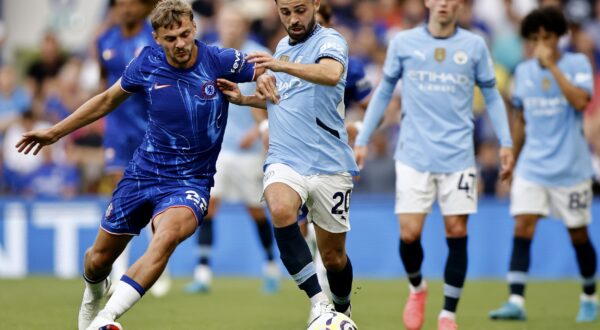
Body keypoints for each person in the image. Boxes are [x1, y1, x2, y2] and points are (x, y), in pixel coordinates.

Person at [16, 1, 260, 329]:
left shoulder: (219, 60)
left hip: (190, 181)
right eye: (171, 38)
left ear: (195, 28)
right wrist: (54, 132)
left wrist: (268, 87)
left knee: (166, 236)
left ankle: (107, 318)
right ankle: (93, 293)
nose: (181, 43)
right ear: (157, 37)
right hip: (142, 174)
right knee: (97, 259)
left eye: (186, 34)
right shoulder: (146, 62)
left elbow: (271, 67)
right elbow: (105, 100)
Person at [353, 0, 514, 329]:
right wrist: (363, 138)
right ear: (427, 2)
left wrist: (506, 142)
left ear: (459, 4)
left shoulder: (474, 45)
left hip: (458, 156)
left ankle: (448, 314)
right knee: (410, 234)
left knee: (456, 229)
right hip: (414, 154)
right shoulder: (403, 42)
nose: (442, 3)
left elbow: (492, 94)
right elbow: (384, 92)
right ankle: (417, 288)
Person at [217, 0, 358, 325]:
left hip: (329, 163)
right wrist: (246, 99)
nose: (293, 19)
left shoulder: (330, 41)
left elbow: (330, 73)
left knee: (333, 258)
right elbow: (284, 102)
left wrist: (280, 67)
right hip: (285, 158)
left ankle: (341, 307)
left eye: (300, 10)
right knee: (281, 209)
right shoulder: (282, 47)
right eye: (285, 13)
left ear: (314, 5)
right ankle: (319, 302)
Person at [489, 6, 598, 323]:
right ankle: (515, 301)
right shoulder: (522, 73)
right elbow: (521, 118)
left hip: (571, 168)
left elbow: (580, 101)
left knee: (578, 233)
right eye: (535, 38)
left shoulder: (577, 64)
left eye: (547, 38)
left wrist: (553, 68)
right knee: (523, 225)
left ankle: (590, 296)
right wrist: (512, 155)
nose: (541, 44)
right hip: (533, 166)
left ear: (559, 38)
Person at [184, 4, 280, 295]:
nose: (230, 28)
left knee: (256, 211)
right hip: (218, 148)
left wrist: (257, 130)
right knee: (207, 207)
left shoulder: (259, 55)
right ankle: (203, 272)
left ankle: (270, 266)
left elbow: (275, 99)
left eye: (235, 23)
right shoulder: (208, 54)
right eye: (226, 23)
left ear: (244, 27)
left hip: (248, 149)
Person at [96, 0, 170, 297]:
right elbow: (104, 84)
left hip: (148, 127)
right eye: (121, 4)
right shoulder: (104, 39)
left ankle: (156, 266)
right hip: (117, 129)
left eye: (131, 4)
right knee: (121, 194)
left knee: (156, 200)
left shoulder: (151, 40)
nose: (126, 9)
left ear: (142, 8)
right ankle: (119, 267)